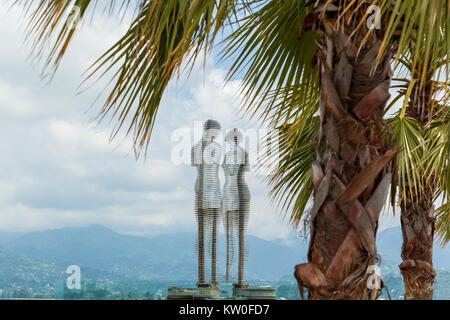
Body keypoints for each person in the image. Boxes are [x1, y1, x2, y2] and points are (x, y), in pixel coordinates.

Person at [191, 119, 222, 287]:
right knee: (203, 234)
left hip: (214, 190)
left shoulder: (216, 148)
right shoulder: (197, 148)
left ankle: (212, 279)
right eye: (216, 131)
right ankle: (203, 278)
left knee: (213, 235)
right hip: (203, 189)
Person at [222, 128, 250, 287]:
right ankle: (228, 273)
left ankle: (240, 275)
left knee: (240, 234)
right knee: (229, 235)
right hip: (227, 193)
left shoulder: (243, 154)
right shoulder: (226, 156)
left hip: (240, 192)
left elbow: (242, 171)